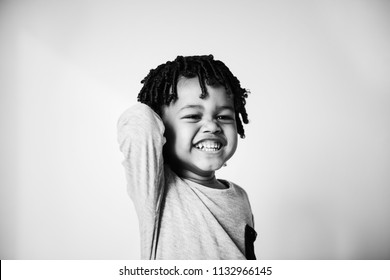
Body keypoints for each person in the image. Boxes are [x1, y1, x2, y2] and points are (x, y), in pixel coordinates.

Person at [117, 55, 257, 260]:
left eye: (223, 117)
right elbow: (139, 120)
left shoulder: (240, 197)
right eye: (193, 116)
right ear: (162, 130)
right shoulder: (157, 189)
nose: (212, 126)